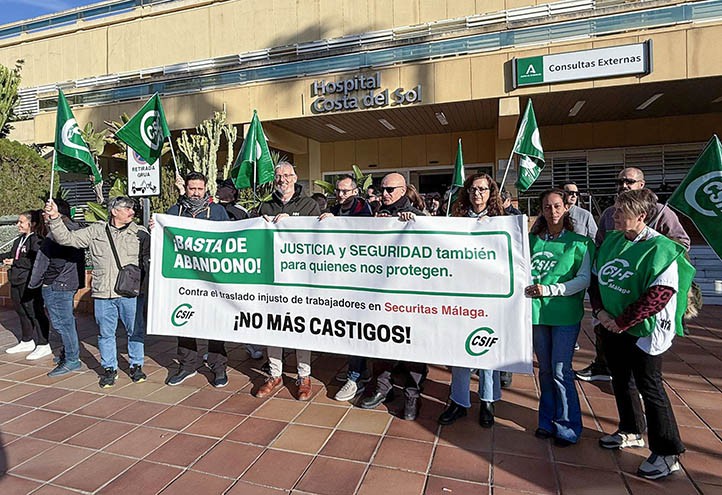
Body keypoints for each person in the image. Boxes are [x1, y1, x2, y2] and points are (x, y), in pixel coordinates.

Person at [592, 189, 694, 480]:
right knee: (621, 380)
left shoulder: (661, 248)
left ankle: (667, 451)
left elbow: (659, 294)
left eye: (622, 211)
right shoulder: (612, 240)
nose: (615, 215)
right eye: (615, 209)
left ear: (642, 216)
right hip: (612, 323)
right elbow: (598, 280)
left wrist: (622, 322)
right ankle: (631, 429)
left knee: (650, 386)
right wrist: (601, 313)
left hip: (644, 329)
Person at [575, 167, 690, 382]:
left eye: (628, 181)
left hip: (642, 295)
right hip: (614, 290)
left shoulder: (662, 212)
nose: (623, 186)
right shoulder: (610, 213)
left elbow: (681, 244)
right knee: (615, 362)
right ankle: (602, 365)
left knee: (647, 380)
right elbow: (601, 244)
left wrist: (648, 251)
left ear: (641, 185)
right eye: (619, 182)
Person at [45, 196, 150, 388]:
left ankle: (136, 365)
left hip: (130, 293)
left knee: (135, 331)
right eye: (127, 209)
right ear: (114, 211)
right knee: (105, 334)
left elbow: (159, 250)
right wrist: (54, 218)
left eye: (132, 208)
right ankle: (109, 368)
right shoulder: (96, 231)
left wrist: (158, 228)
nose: (132, 212)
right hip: (103, 293)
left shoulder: (141, 233)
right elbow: (67, 238)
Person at [437, 173, 506, 428]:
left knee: (487, 349)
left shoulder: (501, 221)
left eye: (483, 189)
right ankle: (459, 401)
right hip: (461, 295)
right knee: (459, 351)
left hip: (490, 296)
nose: (477, 194)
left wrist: (493, 227)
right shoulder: (455, 221)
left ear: (491, 192)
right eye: (473, 189)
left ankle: (488, 400)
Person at [525, 189, 593, 446]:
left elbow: (583, 279)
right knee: (544, 371)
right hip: (536, 315)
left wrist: (550, 290)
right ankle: (546, 421)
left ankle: (567, 426)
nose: (552, 211)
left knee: (560, 370)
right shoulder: (531, 241)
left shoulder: (581, 242)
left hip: (564, 315)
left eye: (556, 206)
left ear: (567, 208)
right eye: (546, 207)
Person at [360, 172, 426, 420]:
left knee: (412, 348)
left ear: (403, 190)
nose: (384, 194)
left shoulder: (416, 215)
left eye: (390, 190)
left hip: (409, 296)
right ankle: (383, 389)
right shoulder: (375, 213)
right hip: (380, 294)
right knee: (381, 344)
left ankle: (412, 396)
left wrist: (414, 223)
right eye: (382, 189)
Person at [254, 161, 321, 401]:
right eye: (279, 176)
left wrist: (293, 223)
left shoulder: (309, 204)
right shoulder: (265, 205)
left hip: (300, 276)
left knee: (300, 325)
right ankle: (274, 374)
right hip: (271, 278)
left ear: (295, 177)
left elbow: (318, 237)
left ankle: (304, 376)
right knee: (273, 325)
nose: (283, 179)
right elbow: (251, 236)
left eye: (287, 175)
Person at [165, 172, 231, 387]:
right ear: (185, 188)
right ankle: (187, 365)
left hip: (212, 279)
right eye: (191, 188)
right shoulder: (173, 212)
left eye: (199, 189)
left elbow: (229, 240)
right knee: (183, 321)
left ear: (205, 189)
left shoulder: (218, 211)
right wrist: (156, 228)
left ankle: (218, 366)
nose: (195, 193)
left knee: (214, 323)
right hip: (183, 280)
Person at [319, 174, 373, 401]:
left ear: (355, 192)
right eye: (338, 191)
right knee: (349, 328)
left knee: (358, 328)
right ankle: (360, 372)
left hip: (361, 281)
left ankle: (355, 377)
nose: (341, 195)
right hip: (341, 278)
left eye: (345, 191)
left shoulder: (364, 209)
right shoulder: (335, 208)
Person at [28, 199, 86, 376]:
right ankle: (68, 353)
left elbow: (58, 261)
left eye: (47, 211)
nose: (44, 215)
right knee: (64, 322)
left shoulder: (61, 231)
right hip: (64, 282)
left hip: (59, 284)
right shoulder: (69, 227)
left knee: (63, 324)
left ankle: (71, 360)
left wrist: (46, 281)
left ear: (56, 212)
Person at [215, 179, 263, 360]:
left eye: (224, 187)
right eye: (219, 187)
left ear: (233, 192)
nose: (220, 189)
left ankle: (251, 343)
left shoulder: (241, 211)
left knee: (243, 307)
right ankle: (215, 350)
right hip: (217, 267)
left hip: (238, 268)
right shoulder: (211, 208)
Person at [2, 210, 51, 360]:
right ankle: (27, 340)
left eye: (21, 222)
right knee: (21, 310)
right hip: (16, 280)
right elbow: (12, 255)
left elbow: (35, 260)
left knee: (34, 311)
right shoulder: (20, 239)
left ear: (32, 224)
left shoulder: (36, 240)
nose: (18, 225)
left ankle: (44, 344)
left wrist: (15, 262)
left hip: (29, 282)